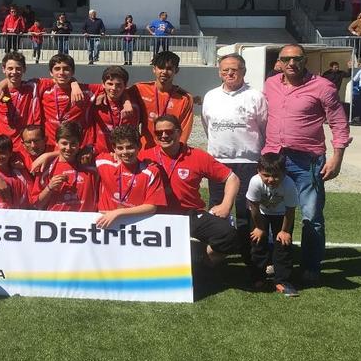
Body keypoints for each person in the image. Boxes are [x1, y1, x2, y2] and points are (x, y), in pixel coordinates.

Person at [262, 44, 350, 286]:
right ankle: (276, 260)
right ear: (279, 62)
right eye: (286, 59)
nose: (291, 63)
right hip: (274, 158)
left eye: (296, 59)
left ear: (304, 61)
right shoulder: (270, 85)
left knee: (311, 215)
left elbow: (339, 123)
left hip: (307, 160)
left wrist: (337, 158)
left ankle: (311, 265)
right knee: (271, 212)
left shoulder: (323, 87)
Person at [141, 114, 241, 263]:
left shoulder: (197, 156)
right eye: (158, 133)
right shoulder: (144, 156)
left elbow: (232, 178)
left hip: (188, 215)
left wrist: (226, 205)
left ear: (179, 132)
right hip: (156, 216)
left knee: (228, 235)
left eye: (169, 131)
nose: (163, 136)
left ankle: (203, 260)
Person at [201, 53, 268, 232]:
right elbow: (208, 126)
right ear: (219, 72)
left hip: (248, 161)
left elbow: (263, 127)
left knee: (246, 207)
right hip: (218, 161)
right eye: (225, 70)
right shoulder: (211, 96)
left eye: (234, 70)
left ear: (243, 71)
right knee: (217, 206)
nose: (230, 73)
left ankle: (249, 252)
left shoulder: (255, 96)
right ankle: (217, 252)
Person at [246, 153, 299, 297]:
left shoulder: (289, 185)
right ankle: (258, 278)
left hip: (282, 215)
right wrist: (259, 227)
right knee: (258, 243)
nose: (271, 180)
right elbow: (254, 207)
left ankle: (283, 281)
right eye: (266, 175)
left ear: (284, 173)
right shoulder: (255, 182)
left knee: (283, 245)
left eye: (276, 176)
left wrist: (285, 231)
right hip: (260, 214)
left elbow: (290, 210)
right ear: (258, 172)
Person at [93, 125, 165, 228]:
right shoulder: (103, 161)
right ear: (114, 148)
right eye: (120, 148)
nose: (125, 152)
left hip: (135, 226)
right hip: (104, 225)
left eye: (130, 147)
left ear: (139, 146)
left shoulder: (151, 171)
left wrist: (118, 212)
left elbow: (152, 207)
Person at [130, 51, 194, 148]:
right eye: (160, 67)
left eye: (169, 68)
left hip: (170, 151)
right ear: (154, 69)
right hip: (146, 149)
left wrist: (178, 150)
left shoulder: (184, 98)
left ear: (176, 70)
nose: (164, 72)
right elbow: (115, 91)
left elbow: (184, 129)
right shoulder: (139, 89)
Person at [31, 121, 98, 212]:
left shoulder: (92, 164)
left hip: (84, 223)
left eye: (73, 143)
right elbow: (36, 204)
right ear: (56, 143)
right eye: (64, 143)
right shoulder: (47, 167)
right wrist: (49, 188)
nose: (68, 148)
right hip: (58, 223)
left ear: (80, 143)